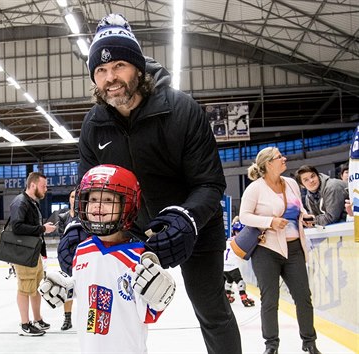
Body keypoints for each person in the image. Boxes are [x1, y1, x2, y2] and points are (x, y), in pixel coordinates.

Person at [77, 13, 241, 353]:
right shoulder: (94, 125)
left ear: (137, 68)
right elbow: (88, 188)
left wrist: (186, 219)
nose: (111, 78)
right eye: (101, 71)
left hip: (196, 224)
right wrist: (73, 231)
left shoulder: (181, 110)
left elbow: (210, 182)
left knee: (211, 310)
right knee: (118, 312)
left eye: (119, 65)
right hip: (133, 229)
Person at [38, 164, 176, 354]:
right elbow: (89, 290)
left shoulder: (139, 257)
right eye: (93, 198)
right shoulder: (82, 250)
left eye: (108, 200)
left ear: (127, 205)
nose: (97, 205)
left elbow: (149, 313)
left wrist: (160, 296)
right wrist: (67, 288)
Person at [239, 147, 320, 354]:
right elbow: (245, 216)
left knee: (303, 297)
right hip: (266, 249)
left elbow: (298, 209)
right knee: (270, 300)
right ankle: (271, 345)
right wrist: (270, 221)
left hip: (294, 249)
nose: (284, 158)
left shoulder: (291, 183)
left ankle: (309, 342)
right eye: (279, 157)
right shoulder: (255, 188)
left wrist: (305, 217)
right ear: (268, 164)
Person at [9, 171, 57, 336]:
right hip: (23, 253)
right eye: (44, 186)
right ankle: (25, 324)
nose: (46, 189)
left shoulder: (31, 202)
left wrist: (43, 227)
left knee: (35, 287)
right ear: (33, 185)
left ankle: (37, 319)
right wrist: (43, 228)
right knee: (24, 288)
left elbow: (29, 226)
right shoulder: (20, 202)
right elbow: (17, 227)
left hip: (33, 252)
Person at [55, 189, 84, 330]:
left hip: (84, 258)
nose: (74, 199)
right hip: (67, 259)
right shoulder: (63, 217)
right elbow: (62, 239)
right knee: (68, 290)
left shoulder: (86, 216)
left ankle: (85, 318)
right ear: (69, 199)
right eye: (72, 196)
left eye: (77, 196)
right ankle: (67, 319)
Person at [224, 217, 255, 307]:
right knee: (239, 281)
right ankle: (244, 297)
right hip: (233, 266)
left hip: (224, 266)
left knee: (229, 280)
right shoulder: (240, 241)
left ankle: (227, 295)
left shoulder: (228, 240)